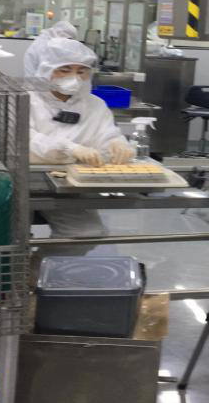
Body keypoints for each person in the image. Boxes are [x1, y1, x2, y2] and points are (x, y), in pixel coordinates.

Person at [30, 36, 133, 247]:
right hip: (25, 182)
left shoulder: (95, 105)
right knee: (13, 236)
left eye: (81, 71)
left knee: (87, 234)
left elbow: (106, 135)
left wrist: (118, 144)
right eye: (64, 70)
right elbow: (26, 139)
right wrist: (69, 148)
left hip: (72, 186)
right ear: (46, 69)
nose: (74, 77)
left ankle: (40, 264)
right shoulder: (27, 100)